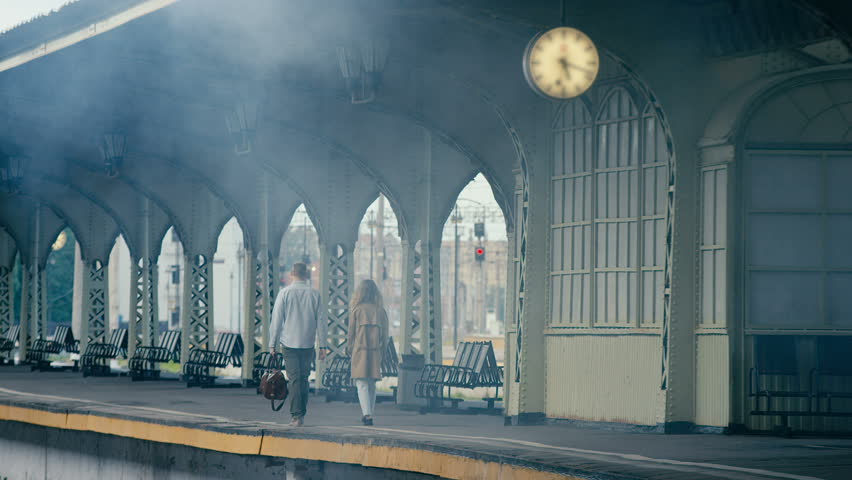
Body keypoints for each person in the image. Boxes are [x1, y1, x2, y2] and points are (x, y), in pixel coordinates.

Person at [270, 262, 328, 427]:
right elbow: (321, 322)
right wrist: (322, 346)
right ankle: (301, 413)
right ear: (306, 275)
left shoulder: (285, 293)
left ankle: (297, 416)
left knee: (295, 380)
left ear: (291, 274)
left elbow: (277, 321)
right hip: (308, 344)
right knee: (303, 379)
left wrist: (272, 344)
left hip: (289, 344)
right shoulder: (314, 294)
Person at [346, 279, 389, 426]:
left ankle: (367, 414)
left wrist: (349, 348)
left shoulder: (357, 310)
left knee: (361, 383)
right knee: (371, 383)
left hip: (360, 350)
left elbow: (351, 333)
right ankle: (369, 412)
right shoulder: (381, 311)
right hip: (376, 351)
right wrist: (382, 352)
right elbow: (385, 336)